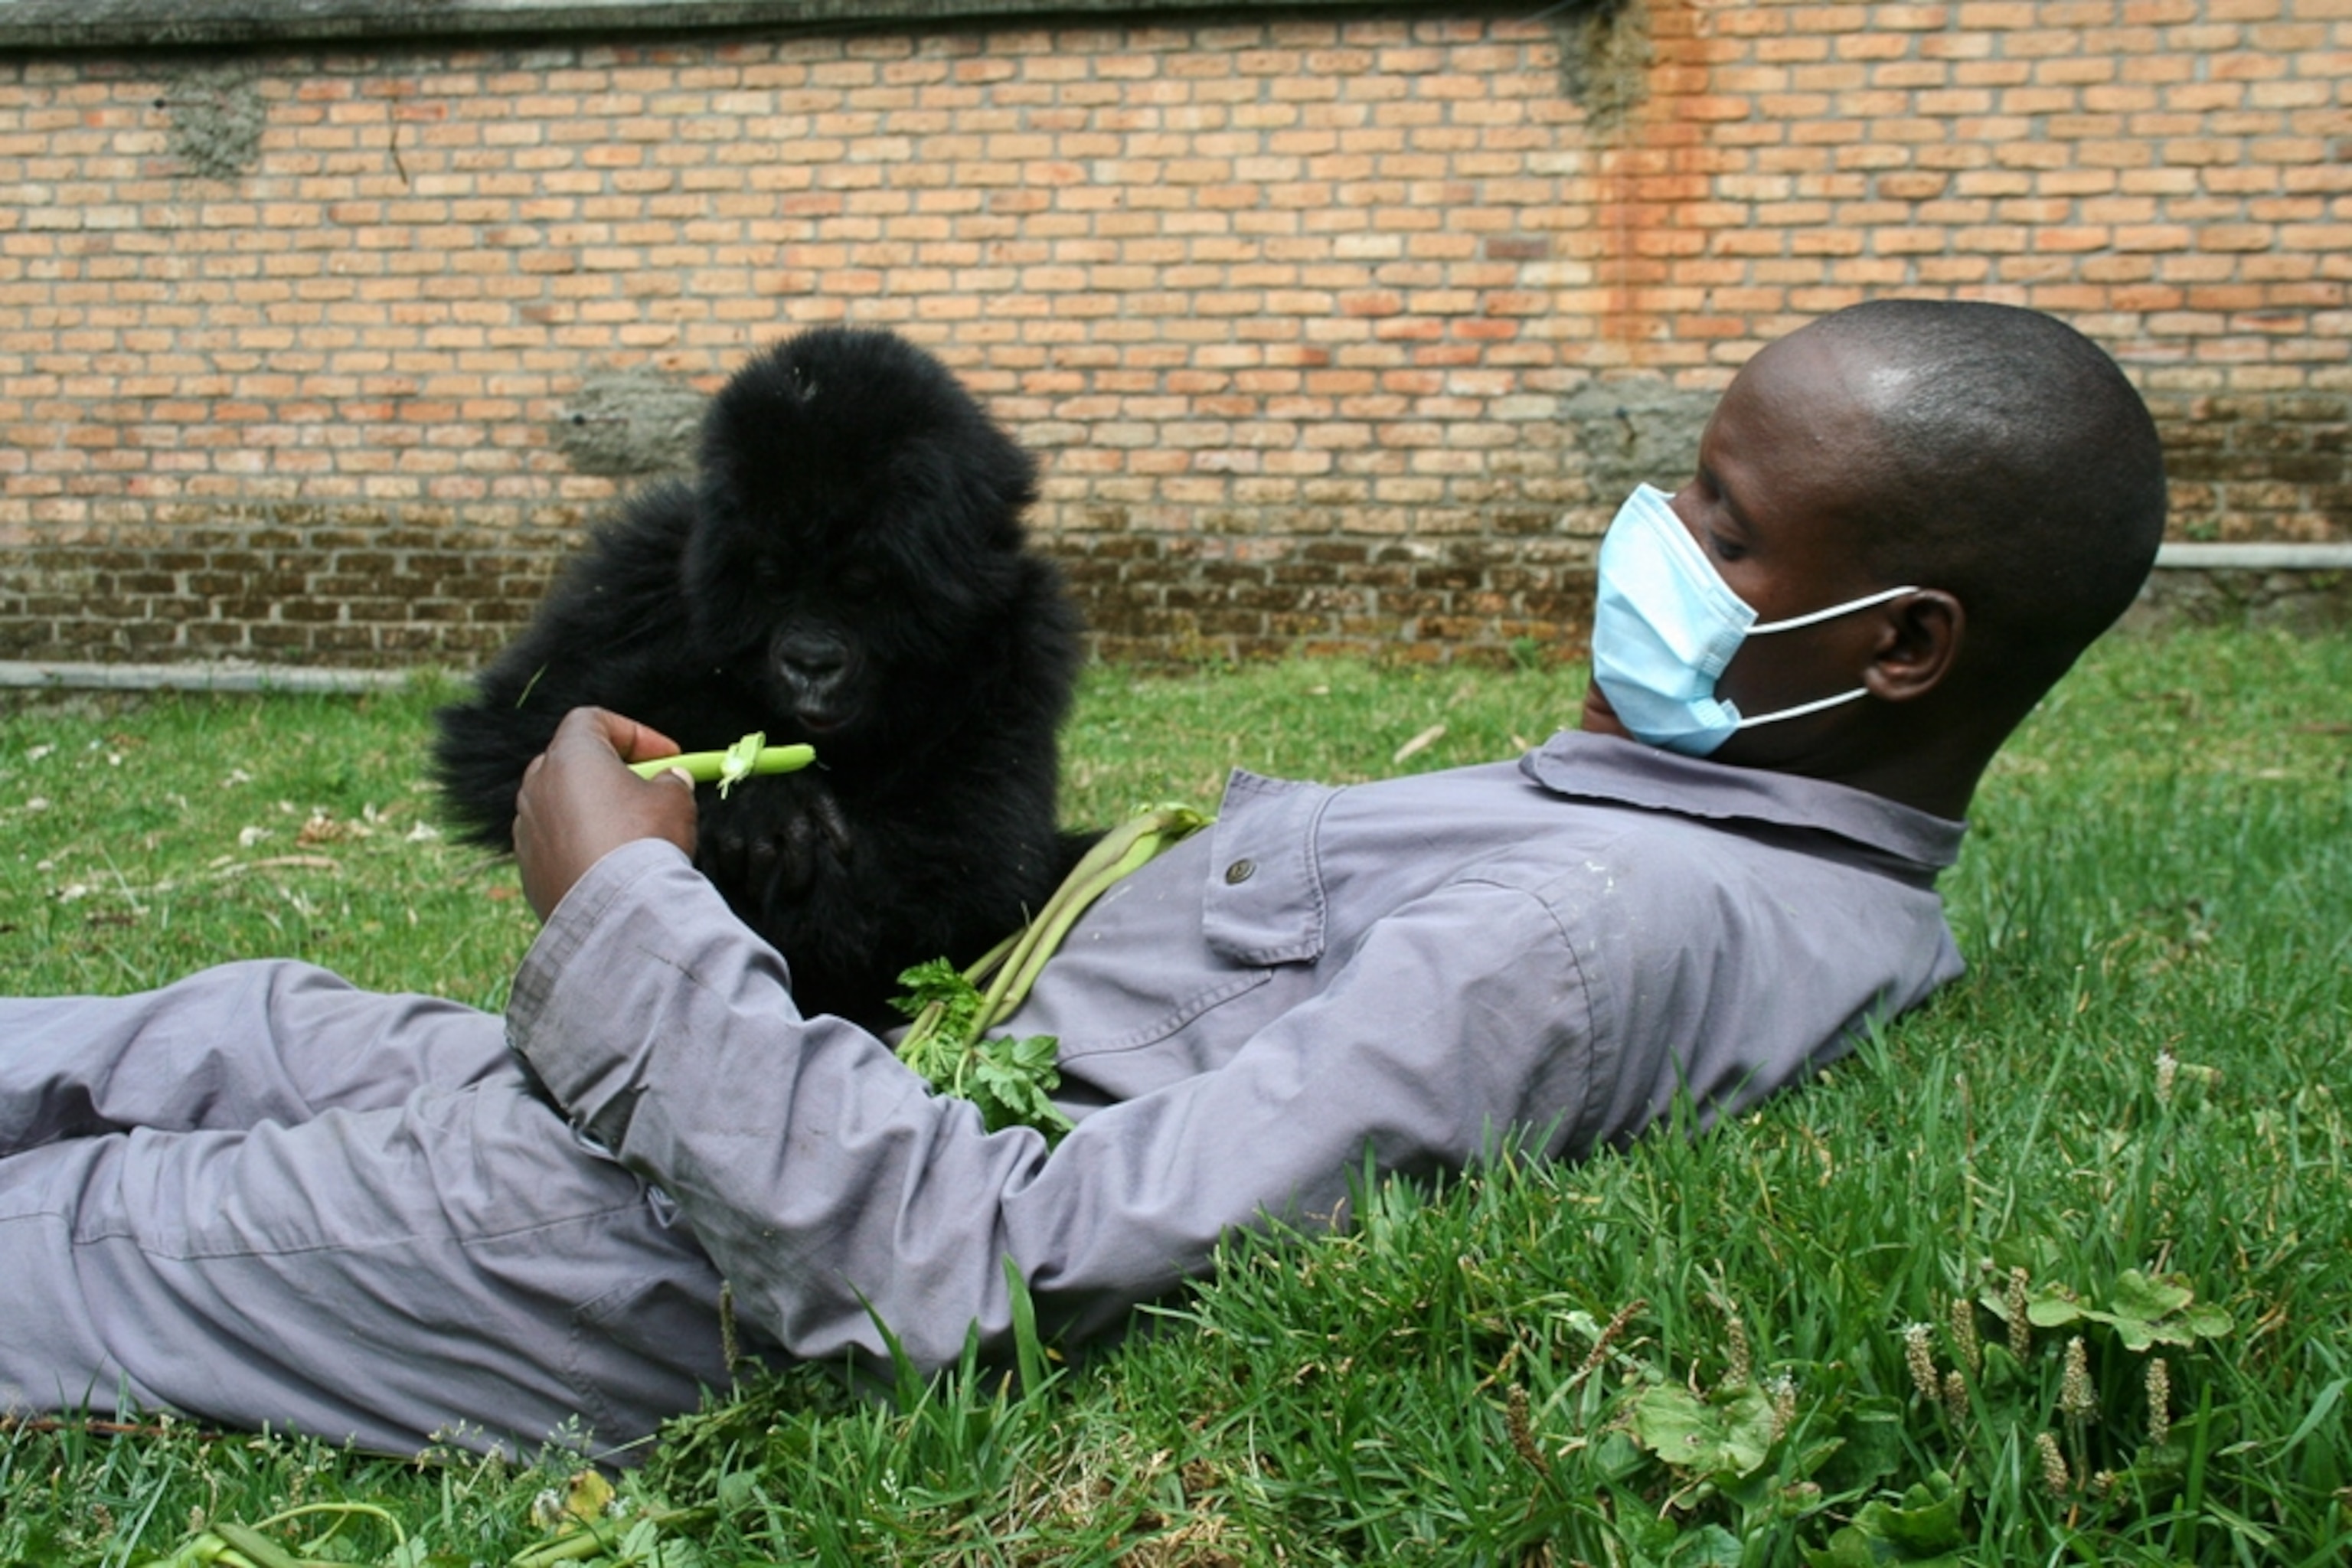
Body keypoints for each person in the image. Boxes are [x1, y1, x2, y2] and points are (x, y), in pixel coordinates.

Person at [0, 299, 2167, 1460]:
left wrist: (629, 914)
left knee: (92, 1221)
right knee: (218, 1027)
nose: (1647, 536)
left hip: (682, 1243)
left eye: (1720, 516)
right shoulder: (1776, 851)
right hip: (773, 1093)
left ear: (1897, 646)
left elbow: (993, 1281)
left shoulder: (1582, 938)